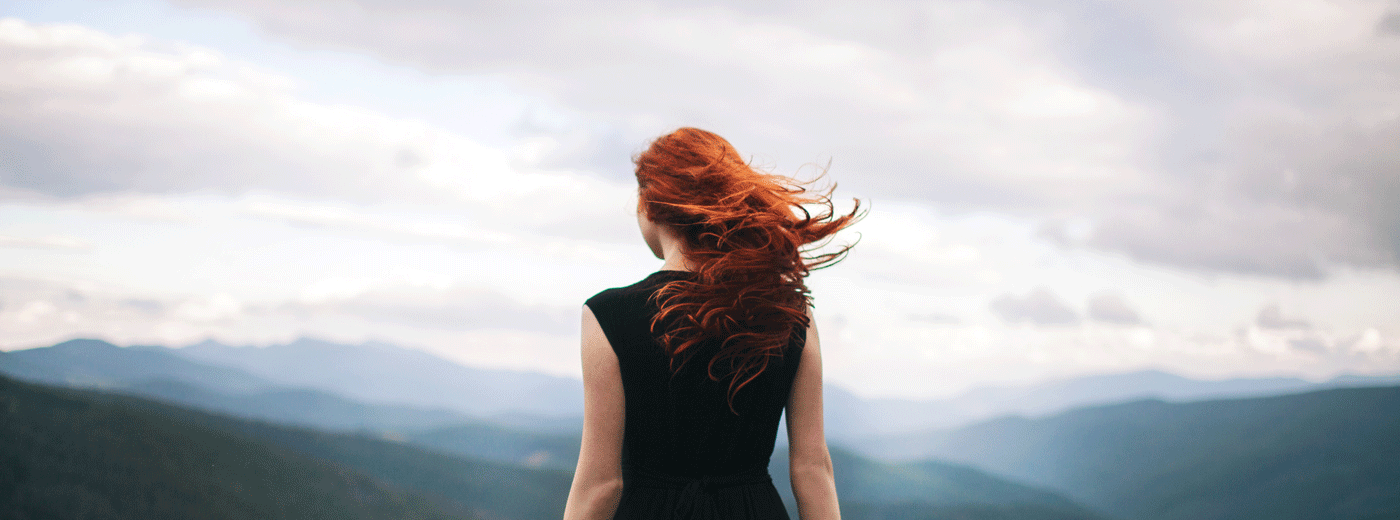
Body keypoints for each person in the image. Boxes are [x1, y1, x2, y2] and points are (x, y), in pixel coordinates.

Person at [562, 128, 861, 520]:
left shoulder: (608, 315)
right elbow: (811, 468)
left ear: (649, 205)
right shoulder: (790, 312)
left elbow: (602, 485)